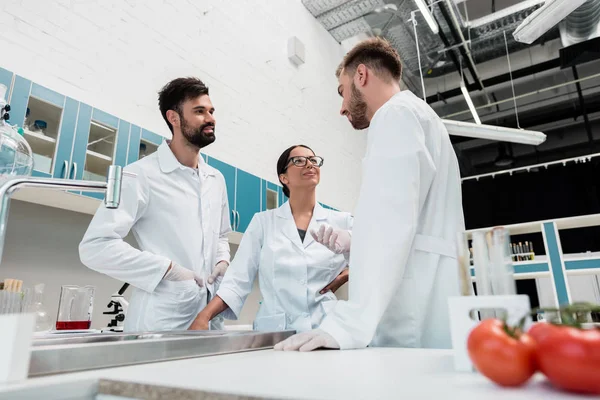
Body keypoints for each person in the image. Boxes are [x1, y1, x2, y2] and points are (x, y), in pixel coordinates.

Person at [275, 37, 465, 351]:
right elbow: (410, 215)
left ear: (361, 76)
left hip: (409, 305)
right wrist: (356, 242)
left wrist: (347, 325)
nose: (342, 107)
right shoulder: (423, 117)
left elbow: (391, 221)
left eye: (342, 91)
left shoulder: (394, 115)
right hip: (431, 291)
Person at [79, 77, 232, 332]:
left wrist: (222, 261)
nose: (210, 118)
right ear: (173, 118)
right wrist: (168, 270)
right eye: (199, 111)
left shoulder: (216, 179)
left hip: (208, 320)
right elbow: (95, 247)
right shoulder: (140, 175)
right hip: (161, 322)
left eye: (211, 111)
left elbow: (222, 235)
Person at [188, 145, 353, 332]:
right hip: (275, 333)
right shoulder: (264, 222)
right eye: (299, 161)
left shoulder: (343, 222)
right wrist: (204, 316)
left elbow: (379, 259)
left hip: (326, 329)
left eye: (314, 160)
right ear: (284, 178)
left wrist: (349, 273)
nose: (309, 164)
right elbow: (237, 279)